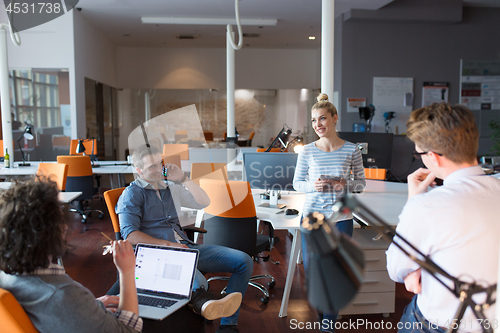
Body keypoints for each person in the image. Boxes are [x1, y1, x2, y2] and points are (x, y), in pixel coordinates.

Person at [386, 103, 500, 332]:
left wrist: (413, 201)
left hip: (440, 325)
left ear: (433, 157)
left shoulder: (428, 206)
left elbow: (397, 268)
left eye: (419, 154)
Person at [115, 144, 253, 333]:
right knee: (200, 285)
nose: (158, 170)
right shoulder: (131, 194)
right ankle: (206, 305)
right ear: (138, 170)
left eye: (159, 164)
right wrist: (170, 245)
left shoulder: (170, 188)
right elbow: (130, 235)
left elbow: (204, 202)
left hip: (186, 247)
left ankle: (228, 324)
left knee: (243, 261)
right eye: (151, 167)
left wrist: (183, 178)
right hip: (158, 255)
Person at [0, 179, 143, 333]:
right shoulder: (61, 295)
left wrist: (88, 308)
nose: (66, 226)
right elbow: (128, 331)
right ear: (50, 233)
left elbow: (56, 313)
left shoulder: (7, 277)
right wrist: (127, 272)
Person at [293, 93, 366, 333]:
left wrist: (343, 184)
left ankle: (328, 326)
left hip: (341, 218)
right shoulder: (307, 151)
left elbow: (361, 184)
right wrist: (312, 185)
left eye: (322, 119)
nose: (318, 125)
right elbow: (297, 183)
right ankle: (326, 314)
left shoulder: (352, 150)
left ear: (335, 119)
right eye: (314, 121)